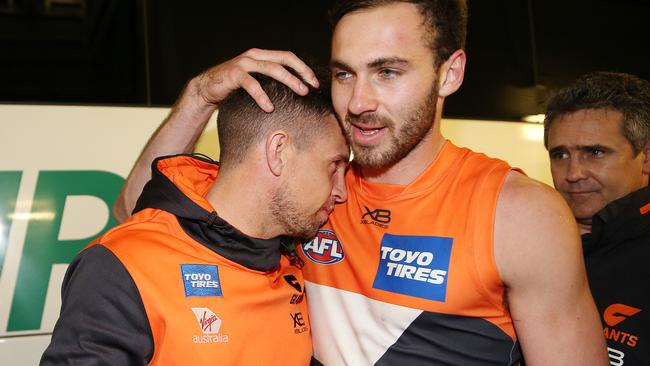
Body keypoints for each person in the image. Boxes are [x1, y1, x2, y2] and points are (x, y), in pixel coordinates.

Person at [114, 1, 608, 365]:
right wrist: (201, 95)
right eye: (344, 74)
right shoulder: (304, 185)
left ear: (450, 74)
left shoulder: (519, 213)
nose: (358, 101)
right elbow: (139, 212)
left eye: (387, 72)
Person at [40, 72, 350, 365]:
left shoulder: (299, 257)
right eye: (333, 165)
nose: (341, 192)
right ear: (278, 151)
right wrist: (200, 94)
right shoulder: (122, 266)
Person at [544, 71, 650, 366]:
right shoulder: (533, 244)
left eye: (595, 152)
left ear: (646, 158)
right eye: (560, 155)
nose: (574, 173)